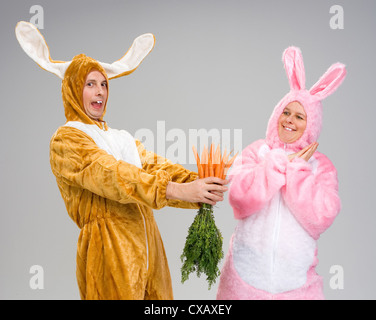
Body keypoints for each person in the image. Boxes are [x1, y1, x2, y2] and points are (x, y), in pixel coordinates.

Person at [15, 21, 227, 300]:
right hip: (109, 251)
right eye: (90, 84)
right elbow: (112, 175)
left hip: (150, 249)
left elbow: (155, 167)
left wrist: (203, 184)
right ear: (72, 89)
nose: (100, 91)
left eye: (104, 84)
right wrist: (175, 190)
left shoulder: (121, 138)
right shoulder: (66, 140)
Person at [216, 47, 346, 300]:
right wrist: (276, 162)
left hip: (297, 285)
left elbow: (322, 216)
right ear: (276, 114)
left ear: (311, 125)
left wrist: (297, 169)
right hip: (243, 279)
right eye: (286, 112)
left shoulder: (321, 166)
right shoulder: (257, 152)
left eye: (300, 116)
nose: (290, 120)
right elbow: (240, 199)